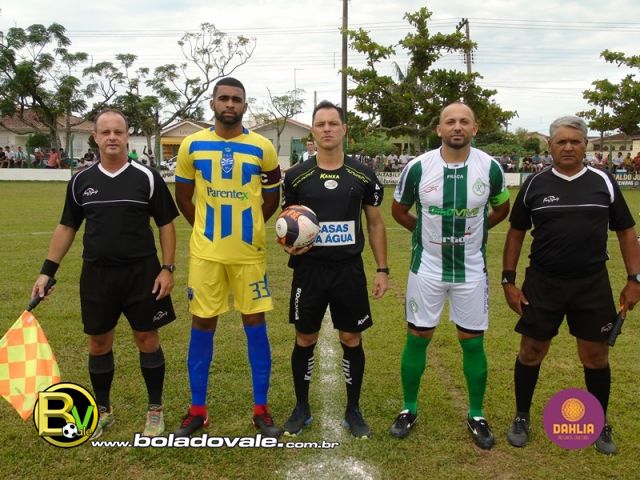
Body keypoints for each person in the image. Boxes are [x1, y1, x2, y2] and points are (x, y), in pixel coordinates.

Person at [31, 109, 179, 438]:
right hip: (97, 275)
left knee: (147, 339)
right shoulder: (81, 181)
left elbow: (166, 225)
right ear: (95, 138)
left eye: (118, 131)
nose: (112, 137)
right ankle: (103, 410)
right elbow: (67, 227)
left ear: (127, 136)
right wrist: (46, 272)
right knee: (98, 343)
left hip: (142, 274)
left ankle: (155, 410)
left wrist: (167, 269)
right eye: (106, 132)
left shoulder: (147, 177)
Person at [502, 115, 640, 455]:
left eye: (575, 141)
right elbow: (516, 233)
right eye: (561, 141)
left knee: (595, 356)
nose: (568, 147)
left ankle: (600, 422)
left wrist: (635, 278)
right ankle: (521, 417)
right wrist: (508, 280)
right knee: (531, 351)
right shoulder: (535, 184)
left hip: (591, 283)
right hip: (543, 283)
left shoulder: (603, 181)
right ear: (550, 146)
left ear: (585, 146)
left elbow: (625, 231)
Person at [389, 102, 510, 450]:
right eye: (450, 121)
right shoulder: (417, 167)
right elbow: (399, 210)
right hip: (426, 269)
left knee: (472, 341)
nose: (457, 126)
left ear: (475, 128)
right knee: (418, 336)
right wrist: (424, 234)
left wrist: (476, 232)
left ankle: (477, 414)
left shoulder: (490, 167)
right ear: (439, 129)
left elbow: (501, 208)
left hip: (471, 270)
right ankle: (408, 408)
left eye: (464, 121)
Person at [174, 77, 283, 437]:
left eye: (236, 99)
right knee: (202, 324)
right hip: (206, 254)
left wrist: (249, 227)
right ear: (213, 103)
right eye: (224, 98)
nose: (230, 104)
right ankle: (197, 410)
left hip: (248, 254)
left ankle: (261, 409)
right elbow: (183, 196)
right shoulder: (191, 145)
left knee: (255, 325)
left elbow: (272, 197)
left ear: (245, 106)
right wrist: (206, 229)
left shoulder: (263, 148)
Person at [279, 100, 388, 439]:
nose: (327, 129)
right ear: (312, 131)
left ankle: (353, 410)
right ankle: (301, 407)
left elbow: (375, 223)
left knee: (351, 337)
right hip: (309, 270)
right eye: (320, 124)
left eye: (333, 123)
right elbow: (287, 223)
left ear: (344, 130)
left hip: (348, 270)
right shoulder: (296, 176)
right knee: (305, 337)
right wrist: (288, 244)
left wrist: (382, 269)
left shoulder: (363, 175)